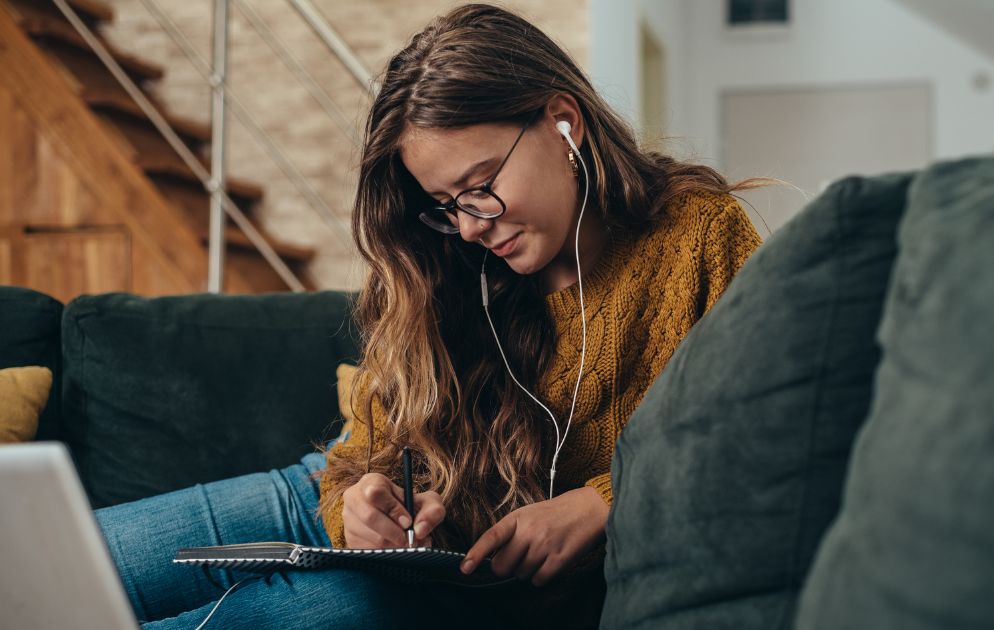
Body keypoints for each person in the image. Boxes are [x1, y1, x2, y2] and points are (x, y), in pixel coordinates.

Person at [95, 4, 763, 628]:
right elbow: (358, 457)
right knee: (50, 566)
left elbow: (756, 431)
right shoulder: (444, 264)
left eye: (480, 187)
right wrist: (362, 511)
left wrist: (603, 504)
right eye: (447, 203)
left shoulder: (698, 236)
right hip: (316, 506)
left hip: (438, 594)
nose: (470, 227)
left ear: (565, 122)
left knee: (348, 608)